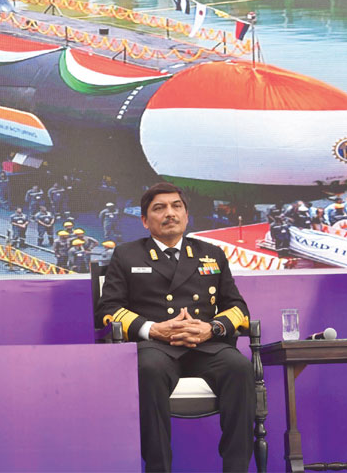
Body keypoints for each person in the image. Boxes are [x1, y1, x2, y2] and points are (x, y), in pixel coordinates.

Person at [98, 182, 254, 472]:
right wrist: (152, 329)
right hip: (155, 347)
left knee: (240, 368)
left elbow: (238, 308)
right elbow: (108, 310)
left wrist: (212, 328)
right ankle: (159, 468)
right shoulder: (127, 254)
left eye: (176, 206)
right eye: (159, 208)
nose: (169, 213)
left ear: (186, 214)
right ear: (145, 220)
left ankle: (237, 468)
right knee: (148, 369)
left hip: (206, 345)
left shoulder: (212, 254)